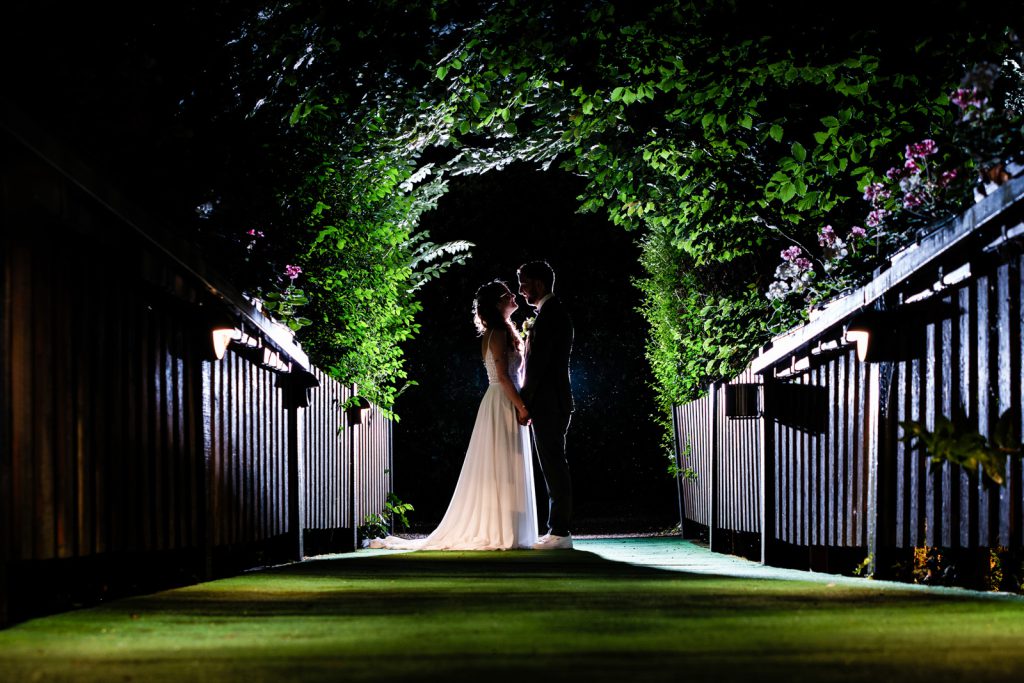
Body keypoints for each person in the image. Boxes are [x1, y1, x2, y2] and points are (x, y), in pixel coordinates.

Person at [368, 280, 537, 550]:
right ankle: (503, 531)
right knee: (503, 466)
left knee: (507, 465)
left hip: (505, 400)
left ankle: (508, 529)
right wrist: (522, 406)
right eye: (507, 294)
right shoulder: (497, 333)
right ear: (497, 304)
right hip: (503, 401)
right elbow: (503, 377)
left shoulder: (500, 332)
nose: (513, 296)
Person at [517, 260, 575, 550]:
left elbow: (539, 365)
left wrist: (523, 401)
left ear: (539, 284)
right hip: (551, 401)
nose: (521, 291)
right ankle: (556, 528)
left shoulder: (552, 315)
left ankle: (560, 532)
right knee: (552, 464)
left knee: (554, 464)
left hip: (550, 402)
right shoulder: (550, 313)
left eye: (524, 283)